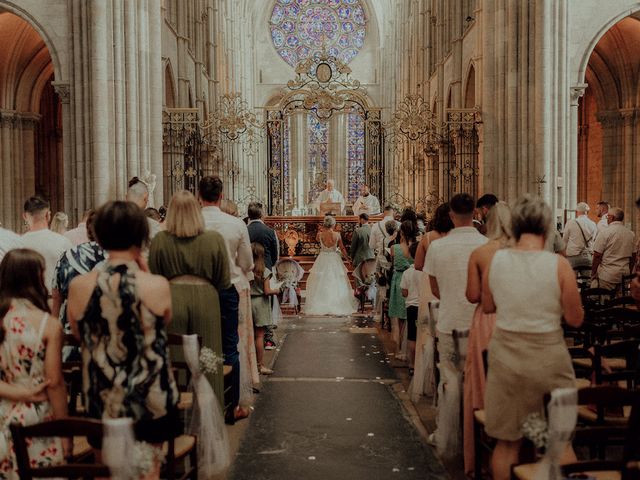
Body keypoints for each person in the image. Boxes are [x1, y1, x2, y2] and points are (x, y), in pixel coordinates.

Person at [67, 201, 180, 462]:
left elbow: (78, 333)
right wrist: (146, 272)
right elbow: (163, 324)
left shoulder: (79, 286)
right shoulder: (157, 285)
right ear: (141, 236)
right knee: (148, 472)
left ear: (99, 235)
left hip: (102, 398)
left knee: (107, 472)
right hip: (151, 397)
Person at [482, 195, 583, 480]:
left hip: (506, 356)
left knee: (507, 443)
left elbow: (488, 306)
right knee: (559, 442)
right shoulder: (558, 265)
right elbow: (576, 319)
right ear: (546, 226)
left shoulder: (497, 260)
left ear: (515, 226)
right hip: (548, 356)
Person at [149, 191, 234, 414]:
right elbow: (224, 280)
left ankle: (176, 415)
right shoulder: (213, 239)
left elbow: (154, 277)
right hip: (206, 300)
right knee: (209, 357)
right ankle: (210, 413)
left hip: (172, 299)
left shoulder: (160, 240)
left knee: (176, 356)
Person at [424, 193, 488, 457]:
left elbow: (435, 287)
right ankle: (478, 434)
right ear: (475, 212)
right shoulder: (486, 244)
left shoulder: (438, 247)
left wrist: (452, 298)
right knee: (480, 378)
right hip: (479, 323)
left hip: (449, 321)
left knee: (450, 379)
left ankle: (447, 432)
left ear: (451, 215)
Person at [0, 249, 69, 478]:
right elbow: (55, 382)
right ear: (37, 278)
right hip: (36, 416)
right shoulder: (48, 325)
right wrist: (65, 432)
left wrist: (17, 392)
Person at [462, 200, 512, 475]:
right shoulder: (524, 253)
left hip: (488, 321)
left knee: (483, 380)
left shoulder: (482, 252)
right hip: (516, 320)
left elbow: (472, 295)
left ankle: (487, 436)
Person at [199, 176, 253, 423]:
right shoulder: (235, 224)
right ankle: (232, 408)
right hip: (227, 289)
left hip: (197, 290)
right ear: (221, 196)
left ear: (199, 196)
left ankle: (202, 405)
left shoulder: (192, 222)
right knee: (230, 346)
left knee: (199, 345)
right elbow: (247, 263)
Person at [51, 210, 106, 356]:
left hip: (71, 338)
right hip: (106, 337)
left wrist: (53, 333)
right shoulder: (115, 256)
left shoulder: (69, 255)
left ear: (88, 232)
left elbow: (56, 296)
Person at [304, 215, 358, 316]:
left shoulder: (320, 235)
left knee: (321, 280)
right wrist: (348, 259)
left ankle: (321, 302)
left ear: (325, 224)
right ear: (333, 224)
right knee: (336, 280)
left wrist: (321, 230)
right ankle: (336, 302)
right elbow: (342, 248)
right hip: (334, 258)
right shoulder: (337, 235)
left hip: (323, 258)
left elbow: (316, 239)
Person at [21, 196, 73, 292]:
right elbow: (71, 276)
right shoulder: (63, 242)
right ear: (48, 215)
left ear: (24, 216)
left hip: (27, 302)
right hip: (54, 300)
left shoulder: (17, 244)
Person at [246, 202, 279, 353]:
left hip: (248, 269)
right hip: (265, 268)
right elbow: (275, 253)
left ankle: (250, 336)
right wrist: (270, 266)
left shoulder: (245, 230)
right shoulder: (269, 231)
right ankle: (268, 338)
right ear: (261, 214)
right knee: (267, 302)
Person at [250, 242, 281, 375]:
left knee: (248, 335)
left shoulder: (246, 270)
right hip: (260, 303)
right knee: (259, 336)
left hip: (248, 302)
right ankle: (260, 365)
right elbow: (267, 291)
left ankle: (248, 365)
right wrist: (278, 290)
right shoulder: (264, 271)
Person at [388, 220, 417, 357]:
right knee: (411, 315)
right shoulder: (417, 247)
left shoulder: (395, 248)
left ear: (402, 232)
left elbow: (392, 263)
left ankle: (400, 349)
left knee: (400, 317)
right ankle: (410, 352)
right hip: (415, 279)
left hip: (399, 279)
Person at [591, 207, 635, 290]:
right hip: (624, 274)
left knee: (606, 300)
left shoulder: (605, 232)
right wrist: (629, 271)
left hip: (608, 274)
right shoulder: (630, 234)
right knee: (621, 301)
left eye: (608, 217)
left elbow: (597, 255)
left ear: (612, 217)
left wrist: (593, 273)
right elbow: (633, 256)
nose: (607, 219)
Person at [400, 242, 421, 372]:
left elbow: (404, 292)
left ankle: (412, 364)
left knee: (412, 336)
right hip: (424, 306)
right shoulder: (426, 271)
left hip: (412, 306)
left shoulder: (407, 272)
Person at [563, 202, 596, 268]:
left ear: (577, 212)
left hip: (573, 256)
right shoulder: (593, 224)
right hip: (587, 256)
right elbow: (594, 239)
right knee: (586, 278)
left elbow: (564, 240)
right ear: (587, 212)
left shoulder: (570, 223)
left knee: (571, 278)